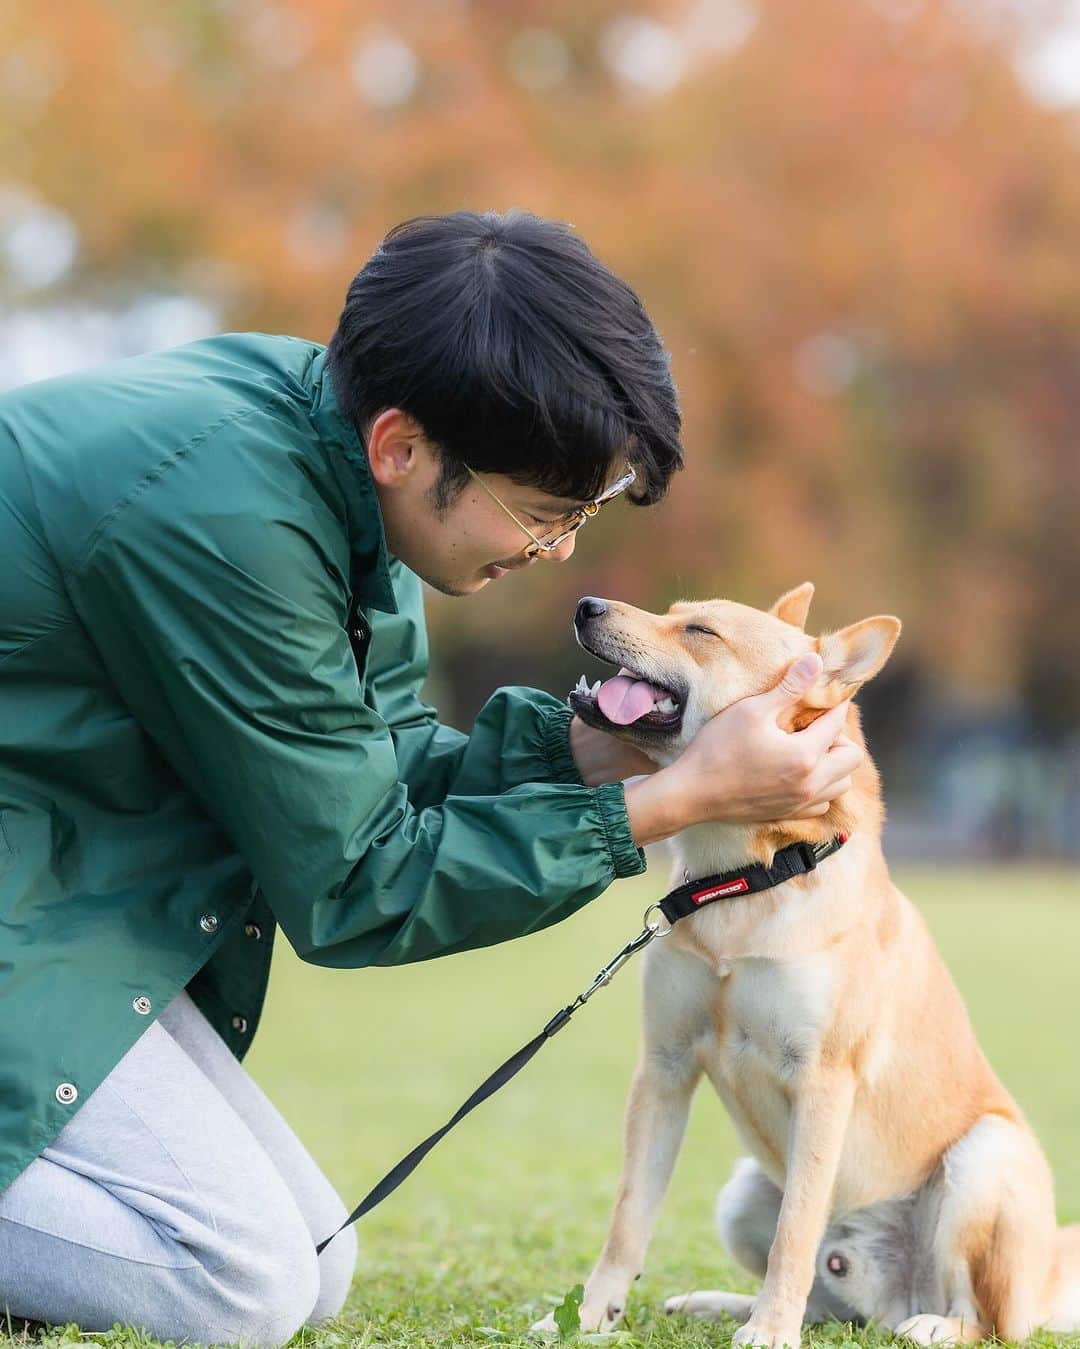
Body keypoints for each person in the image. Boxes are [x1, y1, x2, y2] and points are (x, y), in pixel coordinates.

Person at [0, 210, 862, 1344]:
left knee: (314, 1258)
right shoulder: (224, 519)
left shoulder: (348, 483)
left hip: (44, 887)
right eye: (546, 510)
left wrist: (601, 745)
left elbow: (385, 772)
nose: (558, 549)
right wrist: (679, 800)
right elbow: (359, 880)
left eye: (581, 514)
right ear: (404, 446)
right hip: (35, 896)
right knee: (238, 1283)